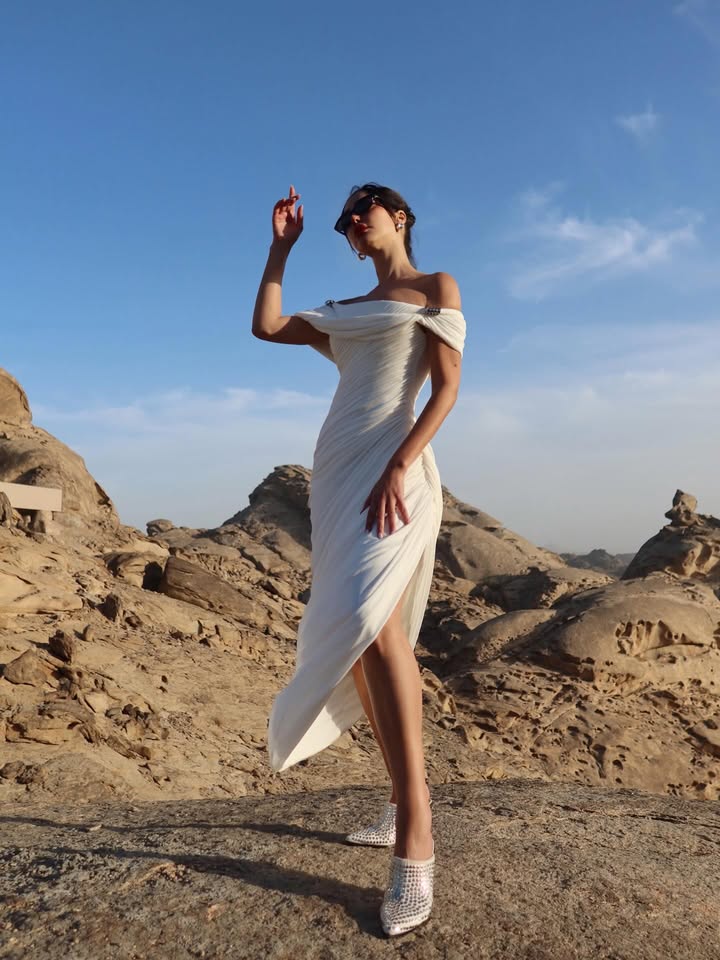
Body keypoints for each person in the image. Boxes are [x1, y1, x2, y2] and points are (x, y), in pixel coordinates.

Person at [253, 182, 465, 936]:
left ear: (399, 216)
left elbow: (447, 389)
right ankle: (401, 800)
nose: (352, 223)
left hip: (396, 471)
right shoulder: (343, 310)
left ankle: (417, 832)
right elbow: (267, 326)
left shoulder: (435, 287)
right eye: (344, 220)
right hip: (339, 471)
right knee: (361, 636)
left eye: (362, 210)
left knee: (377, 627)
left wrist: (401, 464)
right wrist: (281, 247)